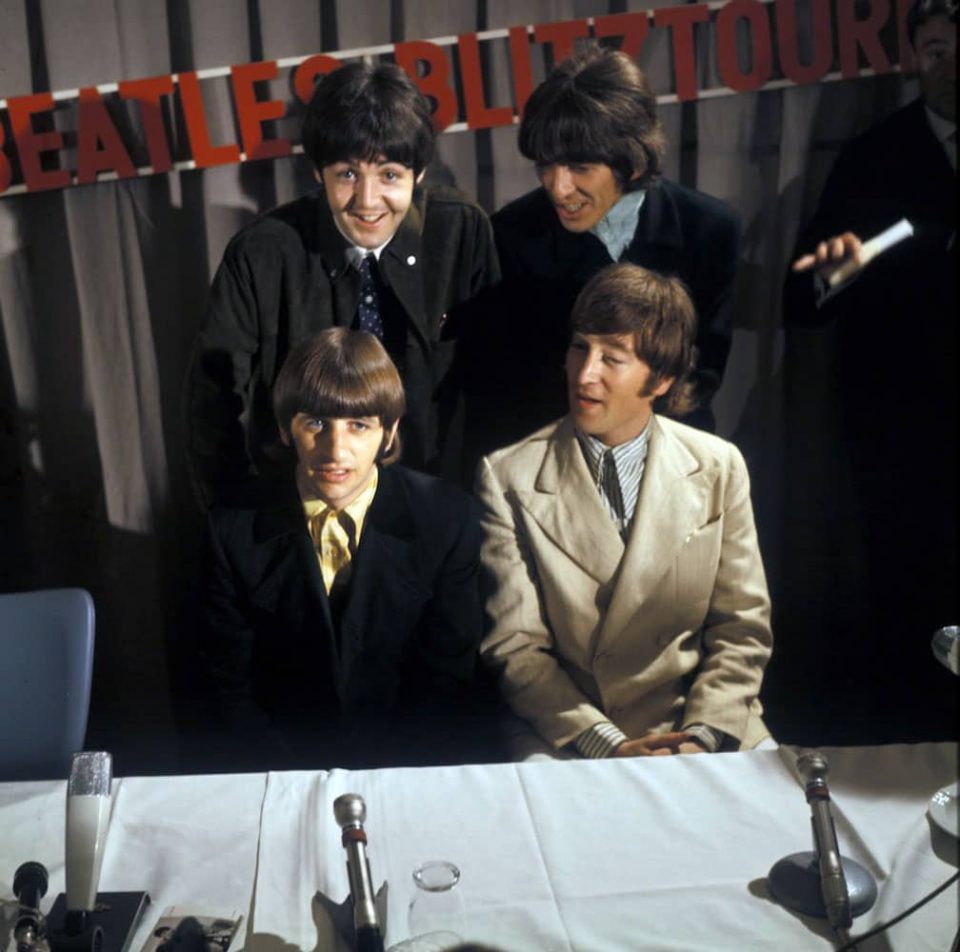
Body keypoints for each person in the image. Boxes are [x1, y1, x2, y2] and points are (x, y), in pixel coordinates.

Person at [477, 264, 772, 759]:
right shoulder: (509, 475)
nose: (584, 373)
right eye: (578, 348)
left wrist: (700, 737)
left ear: (661, 379)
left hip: (703, 723)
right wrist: (611, 746)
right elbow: (517, 651)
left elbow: (741, 628)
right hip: (570, 732)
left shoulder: (719, 466)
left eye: (611, 358)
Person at [186, 61, 499, 507]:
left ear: (420, 173)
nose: (367, 201)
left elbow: (497, 385)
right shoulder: (262, 252)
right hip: (302, 507)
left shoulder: (461, 233)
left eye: (389, 175)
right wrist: (237, 522)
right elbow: (211, 401)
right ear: (318, 173)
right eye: (347, 175)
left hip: (437, 502)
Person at [201, 328, 499, 769]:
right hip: (280, 770)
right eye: (315, 423)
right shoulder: (232, 529)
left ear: (389, 430)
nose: (335, 451)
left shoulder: (446, 518)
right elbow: (230, 689)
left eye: (358, 425)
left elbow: (447, 679)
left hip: (407, 768)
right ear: (286, 428)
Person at [784, 0, 956, 737]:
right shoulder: (874, 155)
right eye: (938, 48)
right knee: (910, 605)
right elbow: (802, 299)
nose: (952, 65)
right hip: (904, 435)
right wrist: (836, 274)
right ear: (914, 56)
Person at [469, 44, 739, 461]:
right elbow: (508, 394)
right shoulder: (510, 235)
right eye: (545, 165)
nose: (557, 188)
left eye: (579, 168)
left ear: (631, 161)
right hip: (552, 465)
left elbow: (699, 377)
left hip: (672, 455)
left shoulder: (709, 229)